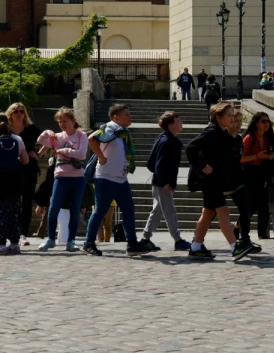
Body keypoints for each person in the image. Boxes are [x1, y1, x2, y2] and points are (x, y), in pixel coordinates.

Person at [186, 102, 254, 261]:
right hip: (209, 180)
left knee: (208, 213)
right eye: (229, 116)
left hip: (216, 179)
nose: (232, 119)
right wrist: (203, 166)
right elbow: (190, 147)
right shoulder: (211, 132)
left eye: (232, 115)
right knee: (223, 211)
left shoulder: (223, 133)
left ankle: (196, 247)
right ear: (218, 117)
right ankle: (235, 247)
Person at [82, 104, 151, 257]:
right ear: (116, 117)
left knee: (128, 210)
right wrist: (101, 158)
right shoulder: (109, 128)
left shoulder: (122, 132)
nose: (130, 117)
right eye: (127, 114)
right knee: (100, 211)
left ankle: (132, 243)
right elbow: (91, 139)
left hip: (120, 179)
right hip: (106, 178)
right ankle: (88, 243)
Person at [38, 108, 90, 252]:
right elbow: (40, 140)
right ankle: (50, 239)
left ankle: (71, 241)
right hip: (61, 176)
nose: (62, 124)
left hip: (77, 177)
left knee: (75, 208)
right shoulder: (58, 136)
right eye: (59, 122)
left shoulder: (81, 135)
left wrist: (62, 151)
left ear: (73, 121)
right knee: (54, 206)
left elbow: (82, 154)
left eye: (65, 121)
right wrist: (47, 132)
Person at [140, 111, 190, 252]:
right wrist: (166, 182)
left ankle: (145, 239)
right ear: (170, 126)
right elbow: (159, 165)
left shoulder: (164, 139)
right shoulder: (168, 142)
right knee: (169, 211)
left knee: (157, 211)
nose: (181, 122)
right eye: (178, 120)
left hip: (160, 181)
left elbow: (151, 163)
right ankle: (178, 240)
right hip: (163, 183)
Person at [8, 103, 43, 247]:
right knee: (13, 201)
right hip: (10, 170)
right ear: (10, 114)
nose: (19, 114)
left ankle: (23, 233)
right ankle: (14, 232)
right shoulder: (6, 129)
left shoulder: (31, 129)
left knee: (27, 201)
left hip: (29, 168)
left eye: (22, 111)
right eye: (16, 111)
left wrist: (38, 154)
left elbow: (49, 140)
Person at [241, 112, 274, 241]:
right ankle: (238, 226)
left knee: (263, 204)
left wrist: (270, 156)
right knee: (251, 204)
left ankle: (262, 234)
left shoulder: (268, 138)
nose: (267, 124)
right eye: (263, 121)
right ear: (256, 123)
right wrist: (257, 156)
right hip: (249, 172)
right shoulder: (249, 138)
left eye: (268, 121)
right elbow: (241, 158)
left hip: (263, 172)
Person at [0, 114, 30, 254]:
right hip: (15, 180)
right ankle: (14, 243)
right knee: (13, 212)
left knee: (1, 212)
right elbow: (26, 160)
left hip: (1, 180)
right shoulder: (17, 139)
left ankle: (1, 243)